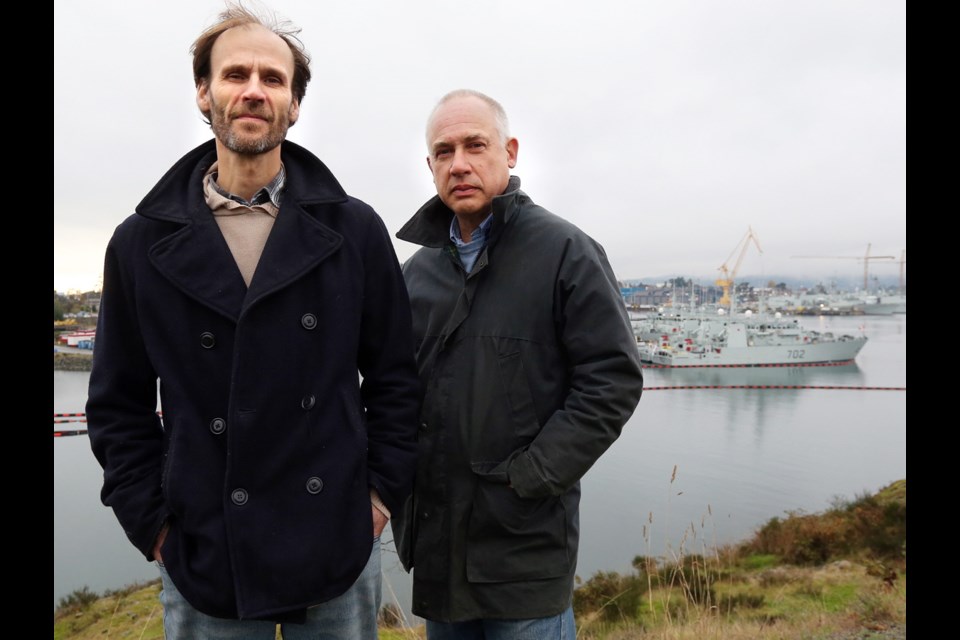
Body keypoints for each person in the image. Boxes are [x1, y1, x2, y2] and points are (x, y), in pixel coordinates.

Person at [84, 3, 420, 637]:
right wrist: (152, 525)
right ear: (203, 92)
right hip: (205, 549)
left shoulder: (355, 231)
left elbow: (396, 382)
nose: (254, 91)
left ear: (294, 105)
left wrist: (376, 503)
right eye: (236, 74)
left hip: (335, 543)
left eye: (274, 79)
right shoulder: (139, 244)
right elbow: (117, 404)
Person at [392, 89, 645, 638]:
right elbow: (396, 392)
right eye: (443, 151)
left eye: (475, 145)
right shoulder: (417, 273)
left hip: (524, 546)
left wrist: (529, 478)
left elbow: (612, 382)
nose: (459, 163)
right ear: (430, 165)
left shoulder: (565, 252)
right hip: (439, 550)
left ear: (509, 152)